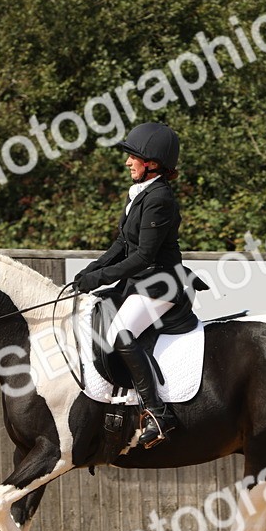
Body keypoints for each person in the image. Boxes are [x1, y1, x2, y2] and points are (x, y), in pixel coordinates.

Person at [73, 122, 196, 449]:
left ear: (152, 163)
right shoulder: (140, 193)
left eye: (134, 157)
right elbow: (122, 243)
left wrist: (100, 278)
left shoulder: (160, 199)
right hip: (139, 282)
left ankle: (158, 413)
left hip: (160, 284)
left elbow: (143, 256)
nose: (128, 162)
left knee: (120, 335)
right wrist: (92, 269)